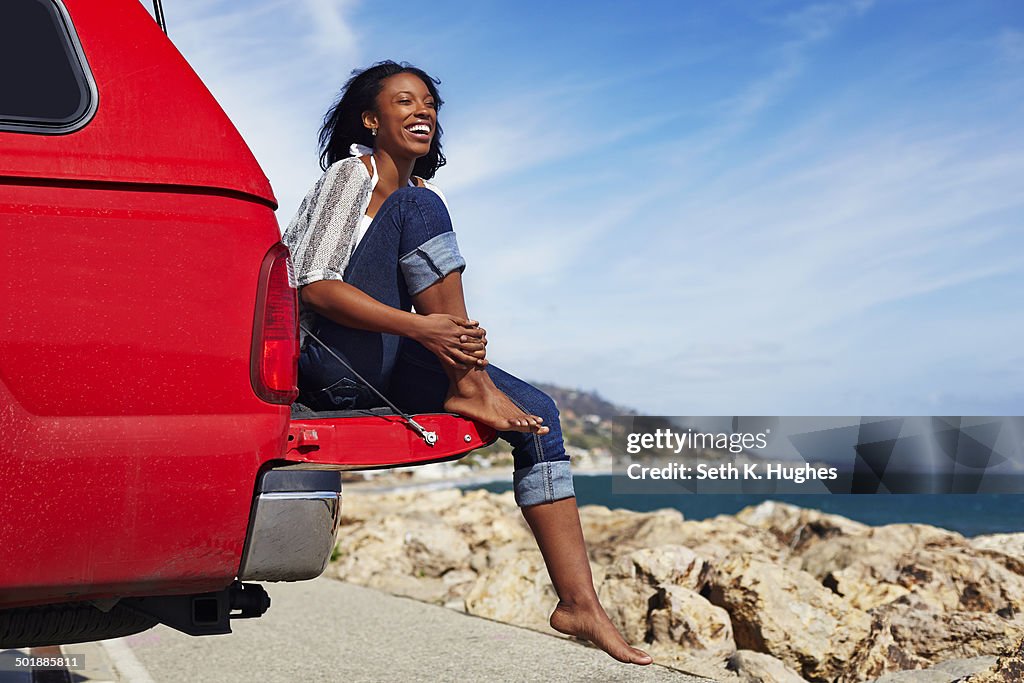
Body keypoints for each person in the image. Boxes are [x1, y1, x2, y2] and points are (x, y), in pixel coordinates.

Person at [282, 60, 652, 666]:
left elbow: (428, 311)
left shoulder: (424, 194)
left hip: (397, 359)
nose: (422, 111)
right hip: (332, 365)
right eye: (404, 102)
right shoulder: (353, 175)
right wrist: (425, 328)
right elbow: (312, 288)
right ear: (372, 120)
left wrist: (434, 335)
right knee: (415, 209)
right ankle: (469, 381)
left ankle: (580, 604)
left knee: (541, 417)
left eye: (429, 103)